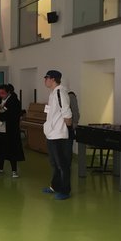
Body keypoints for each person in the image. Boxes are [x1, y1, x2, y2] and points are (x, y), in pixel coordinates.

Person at [42, 70, 73, 200]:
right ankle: (55, 186)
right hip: (51, 134)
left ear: (53, 79)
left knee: (63, 164)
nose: (45, 80)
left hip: (59, 135)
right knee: (55, 163)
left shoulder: (61, 92)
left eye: (46, 78)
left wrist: (65, 130)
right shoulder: (53, 93)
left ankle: (65, 190)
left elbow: (67, 114)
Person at [0, 84, 25, 178]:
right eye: (0, 93)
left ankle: (14, 171)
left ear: (8, 92)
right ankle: (0, 168)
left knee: (11, 150)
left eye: (3, 93)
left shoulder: (14, 101)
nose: (1, 95)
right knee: (0, 149)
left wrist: (0, 116)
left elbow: (13, 115)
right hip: (0, 129)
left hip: (10, 130)